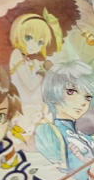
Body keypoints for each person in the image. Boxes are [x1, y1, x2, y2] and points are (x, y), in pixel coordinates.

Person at [8, 10, 63, 139]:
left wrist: (47, 68)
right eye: (28, 38)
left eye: (40, 42)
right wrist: (43, 73)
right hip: (25, 108)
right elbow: (30, 84)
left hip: (38, 107)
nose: (34, 45)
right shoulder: (16, 54)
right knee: (20, 138)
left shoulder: (31, 61)